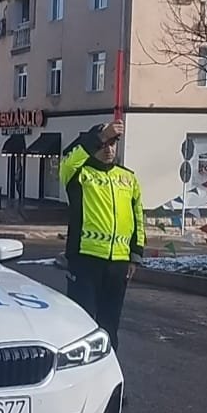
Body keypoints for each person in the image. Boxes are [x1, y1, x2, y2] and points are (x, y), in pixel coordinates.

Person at [59, 119, 144, 352]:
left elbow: (138, 216)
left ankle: (108, 369)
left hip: (118, 263)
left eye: (113, 144)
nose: (108, 149)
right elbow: (69, 158)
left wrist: (135, 254)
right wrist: (99, 136)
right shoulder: (77, 174)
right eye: (104, 144)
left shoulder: (128, 177)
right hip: (85, 260)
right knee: (82, 323)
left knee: (109, 325)